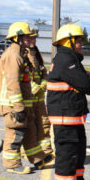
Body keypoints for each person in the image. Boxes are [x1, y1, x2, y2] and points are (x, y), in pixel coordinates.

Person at [47, 23, 90, 180]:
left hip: (71, 115)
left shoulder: (70, 59)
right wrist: (89, 77)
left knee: (78, 149)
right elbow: (85, 83)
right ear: (68, 41)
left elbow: (82, 83)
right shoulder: (65, 60)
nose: (81, 44)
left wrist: (86, 79)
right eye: (78, 41)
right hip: (64, 116)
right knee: (67, 151)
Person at [0, 22, 49, 174]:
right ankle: (12, 164)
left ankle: (37, 158)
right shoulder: (13, 56)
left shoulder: (21, 53)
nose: (30, 39)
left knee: (30, 131)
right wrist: (19, 108)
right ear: (17, 37)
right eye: (26, 36)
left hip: (24, 103)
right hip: (13, 105)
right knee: (16, 133)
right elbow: (13, 84)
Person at [23, 25, 54, 159]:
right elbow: (19, 75)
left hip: (39, 98)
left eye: (35, 37)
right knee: (30, 127)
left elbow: (42, 70)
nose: (34, 40)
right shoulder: (20, 53)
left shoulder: (35, 52)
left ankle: (46, 152)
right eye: (31, 37)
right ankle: (29, 153)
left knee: (44, 124)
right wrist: (33, 87)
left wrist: (44, 82)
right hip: (28, 97)